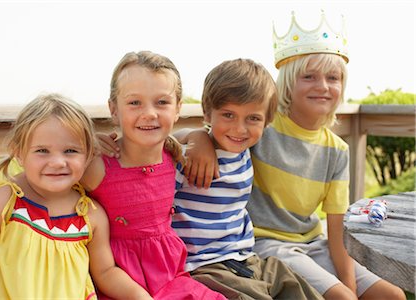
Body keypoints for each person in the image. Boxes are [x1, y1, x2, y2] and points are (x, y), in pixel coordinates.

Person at [175, 12, 406, 300]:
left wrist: (351, 285)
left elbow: (336, 229)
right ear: (287, 82)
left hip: (314, 241)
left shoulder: (338, 150)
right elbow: (211, 132)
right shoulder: (261, 128)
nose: (322, 86)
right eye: (309, 76)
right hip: (266, 244)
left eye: (332, 78)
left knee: (392, 295)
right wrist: (197, 138)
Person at [0, 93, 152, 299]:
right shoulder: (6, 201)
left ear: (89, 154)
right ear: (19, 152)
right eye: (42, 150)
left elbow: (106, 272)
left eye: (70, 150)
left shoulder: (89, 215)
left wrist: (140, 296)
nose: (57, 162)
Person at [171, 58, 323, 300]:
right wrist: (195, 135)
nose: (240, 129)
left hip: (245, 258)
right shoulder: (191, 157)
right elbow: (162, 150)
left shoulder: (244, 152)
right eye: (228, 115)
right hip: (203, 266)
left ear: (267, 121)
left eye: (252, 118)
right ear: (207, 111)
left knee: (296, 286)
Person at [80, 51, 226, 299]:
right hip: (117, 284)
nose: (149, 113)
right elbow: (45, 187)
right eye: (134, 102)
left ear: (178, 108)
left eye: (162, 102)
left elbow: (184, 137)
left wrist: (198, 136)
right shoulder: (97, 166)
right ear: (114, 110)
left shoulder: (174, 156)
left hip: (171, 278)